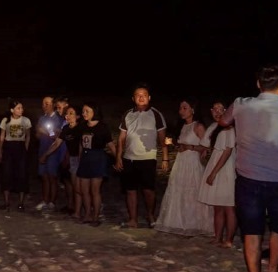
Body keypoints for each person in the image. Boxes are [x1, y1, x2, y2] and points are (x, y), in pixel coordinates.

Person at [220, 65, 278, 272]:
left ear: (258, 84)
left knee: (252, 230)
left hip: (248, 178)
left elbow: (223, 121)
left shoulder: (241, 104)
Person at [154, 99, 213, 235]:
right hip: (181, 162)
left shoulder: (198, 126)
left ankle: (195, 223)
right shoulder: (183, 126)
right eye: (180, 108)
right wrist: (175, 145)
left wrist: (190, 147)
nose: (181, 111)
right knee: (178, 191)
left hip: (192, 164)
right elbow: (181, 144)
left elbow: (206, 146)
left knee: (192, 192)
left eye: (185, 108)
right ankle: (178, 222)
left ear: (192, 109)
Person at [114, 84, 168, 229]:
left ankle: (150, 215)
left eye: (144, 94)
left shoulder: (156, 114)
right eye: (138, 95)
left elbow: (163, 139)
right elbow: (121, 139)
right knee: (130, 190)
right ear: (133, 98)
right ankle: (133, 219)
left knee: (148, 190)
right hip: (129, 158)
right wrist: (118, 157)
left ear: (149, 97)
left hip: (148, 158)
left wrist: (165, 158)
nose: (141, 97)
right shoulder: (128, 114)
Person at [198, 101, 237, 247]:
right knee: (217, 206)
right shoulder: (214, 127)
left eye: (221, 109)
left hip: (225, 168)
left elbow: (227, 151)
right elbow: (205, 143)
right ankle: (217, 237)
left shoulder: (229, 128)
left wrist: (214, 172)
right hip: (214, 163)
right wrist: (203, 150)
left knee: (229, 206)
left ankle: (229, 240)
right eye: (215, 109)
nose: (218, 112)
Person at [76, 102, 116, 226]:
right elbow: (81, 144)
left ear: (94, 112)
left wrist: (118, 159)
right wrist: (79, 158)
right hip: (85, 159)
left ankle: (96, 216)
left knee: (95, 190)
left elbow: (110, 144)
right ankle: (87, 214)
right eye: (83, 111)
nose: (84, 114)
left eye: (87, 111)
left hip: (98, 158)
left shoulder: (102, 127)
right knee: (84, 190)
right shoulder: (82, 126)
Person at [0, 100, 32, 211]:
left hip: (20, 147)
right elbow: (2, 136)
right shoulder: (6, 120)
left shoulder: (26, 120)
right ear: (12, 110)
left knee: (22, 174)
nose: (21, 110)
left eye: (21, 108)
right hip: (8, 147)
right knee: (6, 174)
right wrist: (0, 151)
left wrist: (25, 148)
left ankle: (21, 203)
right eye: (18, 108)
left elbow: (28, 136)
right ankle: (7, 202)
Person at [35, 96, 65, 211]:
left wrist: (46, 131)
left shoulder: (58, 119)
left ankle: (52, 201)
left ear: (53, 105)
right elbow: (37, 134)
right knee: (44, 177)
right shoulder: (42, 118)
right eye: (43, 104)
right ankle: (45, 200)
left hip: (53, 151)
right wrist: (42, 132)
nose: (44, 106)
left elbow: (56, 136)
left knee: (52, 177)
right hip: (42, 149)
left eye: (47, 104)